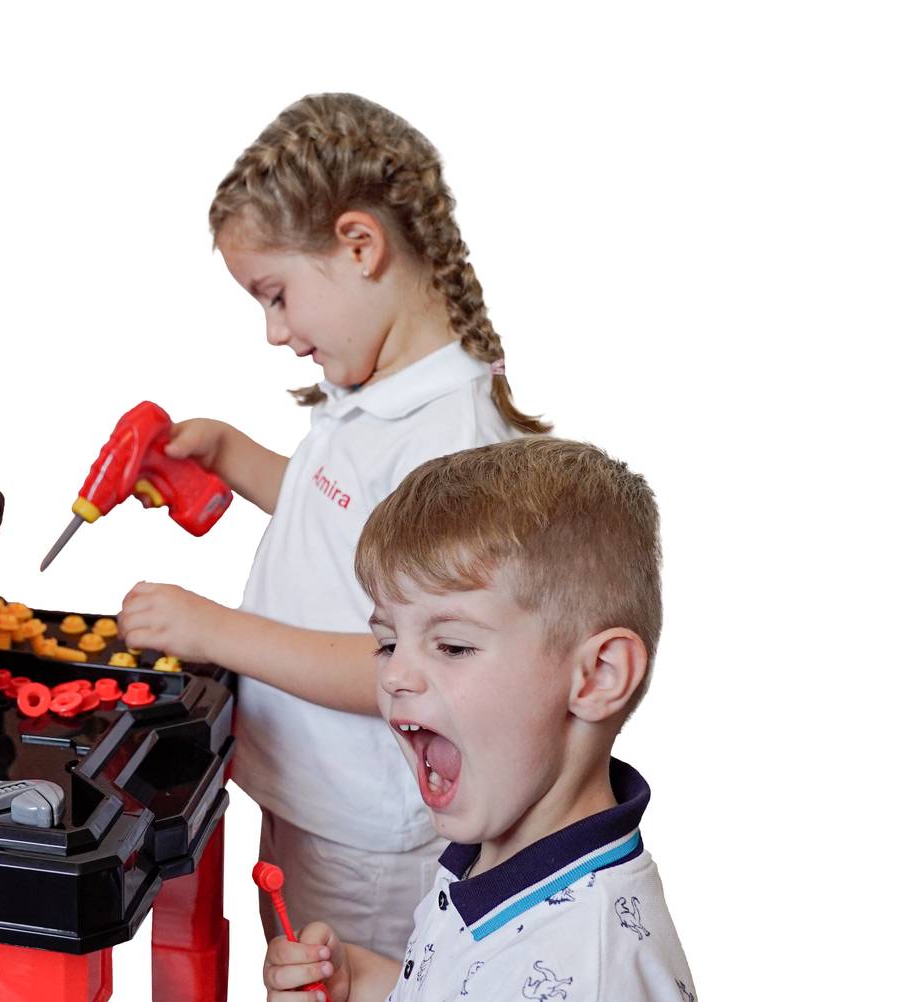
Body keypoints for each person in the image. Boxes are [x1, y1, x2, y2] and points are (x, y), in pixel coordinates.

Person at [117, 93, 548, 957]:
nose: (275, 332)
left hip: (366, 836)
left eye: (277, 296)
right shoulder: (375, 390)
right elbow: (344, 520)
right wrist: (231, 455)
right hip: (311, 794)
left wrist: (214, 631)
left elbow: (415, 666)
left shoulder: (450, 442)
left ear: (359, 245)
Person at [262, 438, 696, 1002]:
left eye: (452, 646)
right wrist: (361, 984)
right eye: (388, 643)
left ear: (597, 676)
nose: (394, 676)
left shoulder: (589, 970)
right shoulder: (499, 848)